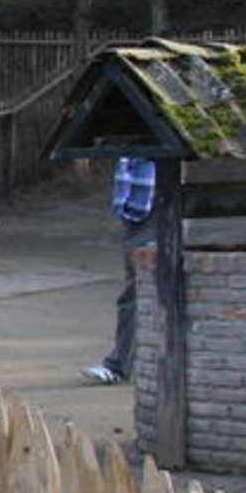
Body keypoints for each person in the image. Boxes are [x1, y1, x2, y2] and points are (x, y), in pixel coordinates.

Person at [82, 155, 157, 383]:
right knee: (134, 295)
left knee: (135, 295)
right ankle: (122, 364)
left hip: (152, 215)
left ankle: (119, 365)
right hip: (136, 218)